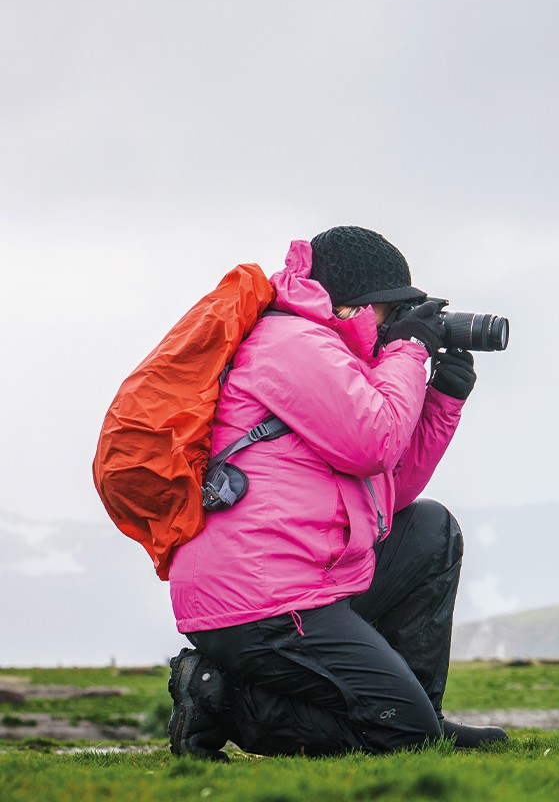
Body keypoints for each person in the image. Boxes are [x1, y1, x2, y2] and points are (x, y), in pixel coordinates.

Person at [165, 226, 505, 759]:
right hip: (260, 600)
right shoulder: (291, 343)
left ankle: (421, 710)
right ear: (352, 305)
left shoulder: (330, 355)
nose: (394, 324)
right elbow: (373, 442)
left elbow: (386, 495)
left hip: (303, 580)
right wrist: (412, 351)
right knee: (405, 739)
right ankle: (219, 697)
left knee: (429, 528)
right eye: (390, 311)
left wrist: (442, 399)